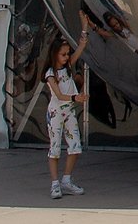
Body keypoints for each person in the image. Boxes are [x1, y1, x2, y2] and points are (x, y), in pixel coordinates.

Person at [43, 15, 91, 199]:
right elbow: (59, 95)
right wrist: (75, 97)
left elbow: (81, 46)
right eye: (63, 54)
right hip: (56, 112)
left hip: (69, 111)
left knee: (75, 146)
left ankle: (66, 180)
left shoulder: (68, 67)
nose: (66, 57)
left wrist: (84, 27)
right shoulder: (50, 73)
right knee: (54, 148)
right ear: (55, 54)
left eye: (67, 54)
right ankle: (55, 183)